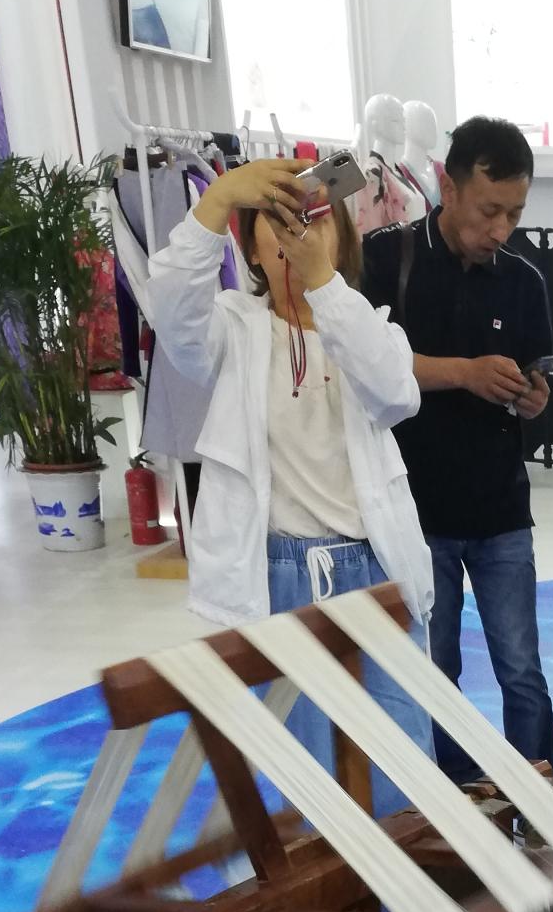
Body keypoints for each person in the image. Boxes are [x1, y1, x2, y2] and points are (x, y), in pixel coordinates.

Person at [147, 156, 436, 809]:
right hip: (276, 578)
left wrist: (323, 284)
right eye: (276, 222)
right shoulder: (232, 329)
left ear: (342, 239)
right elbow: (171, 310)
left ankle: (398, 875)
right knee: (298, 781)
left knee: (401, 767)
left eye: (313, 219)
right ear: (251, 247)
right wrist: (220, 197)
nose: (294, 235)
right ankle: (315, 878)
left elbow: (396, 393)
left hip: (374, 570)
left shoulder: (369, 327)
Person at [360, 116, 553, 781]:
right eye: (489, 211)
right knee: (434, 668)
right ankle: (452, 806)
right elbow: (368, 366)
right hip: (417, 512)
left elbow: (536, 383)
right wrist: (466, 373)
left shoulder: (524, 282)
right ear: (447, 188)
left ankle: (542, 799)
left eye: (515, 214)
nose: (501, 229)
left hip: (501, 508)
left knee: (522, 668)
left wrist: (532, 397)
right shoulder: (385, 260)